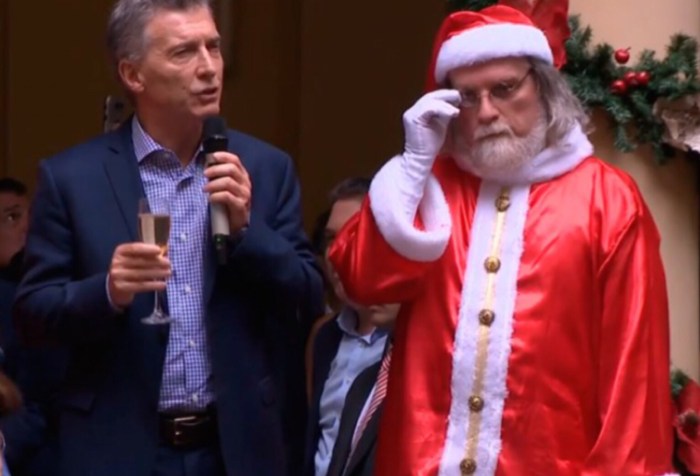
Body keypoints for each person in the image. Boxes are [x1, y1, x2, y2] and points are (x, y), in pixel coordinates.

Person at [329, 5, 676, 475]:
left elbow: (633, 381)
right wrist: (412, 166)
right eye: (468, 97)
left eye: (505, 89)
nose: (487, 112)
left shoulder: (609, 200)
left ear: (544, 87)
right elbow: (361, 281)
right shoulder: (431, 189)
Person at [13, 1, 323, 475]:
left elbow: (308, 299)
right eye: (184, 52)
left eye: (213, 47)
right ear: (133, 74)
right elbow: (33, 317)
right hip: (118, 451)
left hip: (235, 450)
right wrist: (107, 291)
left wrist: (247, 231)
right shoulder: (71, 179)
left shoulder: (264, 168)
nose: (209, 67)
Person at [303, 178, 396, 476]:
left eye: (353, 235)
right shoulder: (324, 336)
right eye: (331, 238)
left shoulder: (414, 342)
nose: (336, 252)